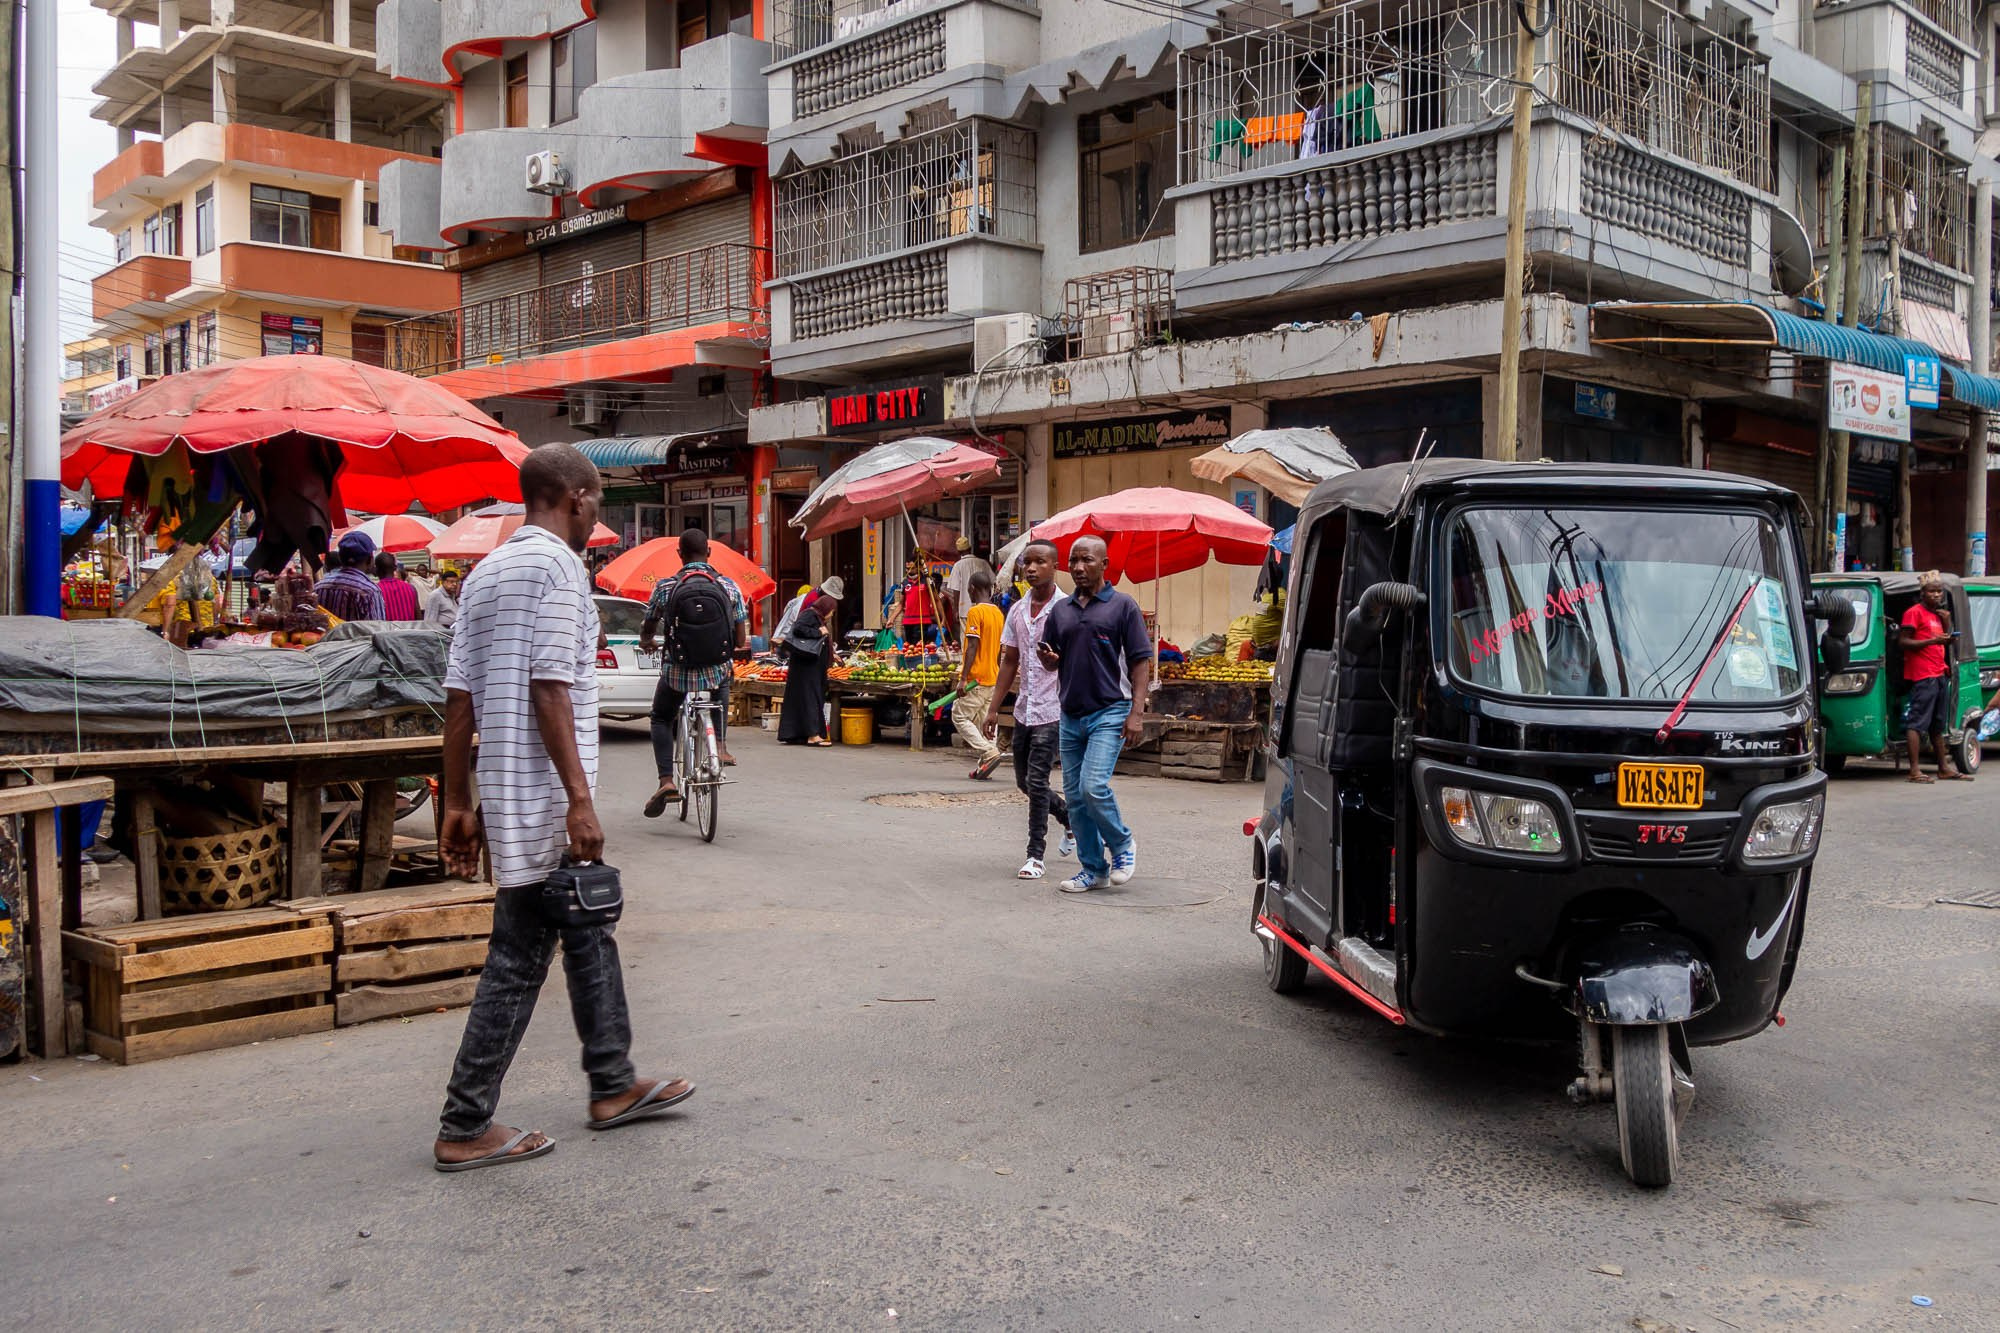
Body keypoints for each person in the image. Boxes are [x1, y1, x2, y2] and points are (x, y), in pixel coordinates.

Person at [433, 442, 690, 1173]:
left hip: (508, 790)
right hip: (542, 797)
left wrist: (459, 801)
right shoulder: (558, 570)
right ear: (576, 497)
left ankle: (612, 1081)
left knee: (586, 924)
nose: (596, 513)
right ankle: (464, 1120)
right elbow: (551, 686)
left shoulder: (484, 574)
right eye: (598, 500)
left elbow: (458, 701)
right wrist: (579, 800)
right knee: (518, 955)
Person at [1038, 536, 1152, 893]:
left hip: (1110, 710)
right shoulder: (1062, 611)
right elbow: (1052, 655)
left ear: (1105, 564)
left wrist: (1136, 712)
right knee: (1074, 796)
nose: (1078, 567)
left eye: (1086, 560)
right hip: (1071, 712)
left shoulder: (1122, 607)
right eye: (1073, 561)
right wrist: (1048, 660)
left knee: (1093, 786)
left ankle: (1121, 845)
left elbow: (1140, 663)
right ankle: (1093, 868)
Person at [639, 529, 749, 816]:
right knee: (723, 679)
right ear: (709, 552)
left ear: (680, 554)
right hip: (715, 669)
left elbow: (649, 625)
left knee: (661, 717)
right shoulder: (729, 587)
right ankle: (721, 746)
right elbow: (739, 640)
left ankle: (666, 780)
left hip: (678, 670)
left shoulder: (665, 587)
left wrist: (647, 640)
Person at [984, 538, 1074, 880]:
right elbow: (1009, 660)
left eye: (1040, 562)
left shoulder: (1066, 610)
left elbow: (1077, 660)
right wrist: (994, 708)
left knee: (1037, 780)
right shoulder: (1018, 611)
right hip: (1024, 708)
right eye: (1027, 563)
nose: (1032, 569)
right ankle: (1068, 817)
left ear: (1054, 566)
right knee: (1024, 782)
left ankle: (1035, 855)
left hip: (1054, 709)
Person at [1899, 570, 1967, 783]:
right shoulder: (1914, 613)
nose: (1937, 595)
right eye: (1932, 591)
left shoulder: (1938, 615)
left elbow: (1944, 642)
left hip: (1939, 672)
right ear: (1923, 593)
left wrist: (1947, 626)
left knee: (1938, 725)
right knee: (1917, 723)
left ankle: (1943, 768)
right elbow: (1903, 642)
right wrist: (1930, 642)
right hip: (1923, 674)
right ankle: (1914, 770)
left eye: (1939, 591)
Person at [954, 570, 1008, 780]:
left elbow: (972, 646)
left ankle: (988, 752)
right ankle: (985, 764)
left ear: (972, 589)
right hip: (992, 676)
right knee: (984, 723)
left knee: (959, 716)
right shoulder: (998, 613)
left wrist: (963, 678)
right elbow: (998, 650)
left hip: (976, 677)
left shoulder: (976, 612)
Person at [778, 579, 843, 746]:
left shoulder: (818, 616)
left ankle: (799, 734)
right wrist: (817, 632)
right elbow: (798, 629)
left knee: (808, 697)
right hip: (806, 666)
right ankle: (813, 735)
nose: (832, 615)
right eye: (832, 611)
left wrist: (832, 654)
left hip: (809, 666)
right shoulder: (810, 614)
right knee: (810, 698)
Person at [315, 531, 384, 622]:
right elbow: (376, 629)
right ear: (370, 559)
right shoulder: (369, 591)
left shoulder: (318, 587)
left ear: (341, 557)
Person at [943, 536, 995, 639]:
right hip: (983, 608)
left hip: (965, 609)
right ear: (970, 549)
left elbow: (956, 589)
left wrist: (956, 610)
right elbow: (993, 582)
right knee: (982, 637)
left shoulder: (958, 565)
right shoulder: (983, 563)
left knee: (966, 638)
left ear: (958, 552)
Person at [898, 558, 936, 649]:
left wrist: (942, 619)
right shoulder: (905, 582)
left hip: (922, 620)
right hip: (908, 621)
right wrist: (891, 619)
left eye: (912, 568)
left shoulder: (926, 580)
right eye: (907, 569)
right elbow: (900, 604)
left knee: (919, 648)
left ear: (919, 567)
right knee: (909, 648)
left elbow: (936, 600)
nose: (909, 571)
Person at [376, 551, 422, 622]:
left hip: (386, 632)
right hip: (410, 632)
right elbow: (419, 619)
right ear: (395, 568)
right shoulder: (411, 588)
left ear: (376, 569)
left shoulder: (375, 590)